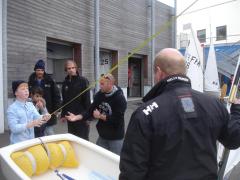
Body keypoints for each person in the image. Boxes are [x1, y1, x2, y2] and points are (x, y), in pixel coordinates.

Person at [119, 48, 240, 180]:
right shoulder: (214, 104)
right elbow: (233, 139)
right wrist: (237, 111)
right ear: (184, 72)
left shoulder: (145, 113)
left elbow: (132, 172)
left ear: (159, 72)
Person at [65, 73, 127, 155]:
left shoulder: (120, 98)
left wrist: (100, 116)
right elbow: (90, 111)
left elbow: (116, 120)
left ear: (110, 84)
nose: (100, 86)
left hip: (116, 138)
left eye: (102, 84)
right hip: (102, 135)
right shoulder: (99, 95)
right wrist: (77, 117)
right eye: (100, 83)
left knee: (116, 162)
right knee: (99, 157)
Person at [28, 59, 61, 135]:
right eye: (38, 70)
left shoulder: (50, 80)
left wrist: (57, 108)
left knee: (49, 131)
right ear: (35, 70)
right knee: (37, 132)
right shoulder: (31, 80)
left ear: (44, 71)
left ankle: (51, 146)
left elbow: (56, 95)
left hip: (48, 109)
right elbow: (29, 94)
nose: (40, 72)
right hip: (34, 109)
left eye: (42, 70)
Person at [60, 60, 91, 140]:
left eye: (73, 68)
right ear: (66, 70)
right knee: (72, 139)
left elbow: (87, 100)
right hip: (70, 116)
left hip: (81, 116)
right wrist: (63, 114)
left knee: (83, 140)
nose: (71, 70)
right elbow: (65, 100)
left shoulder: (83, 81)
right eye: (69, 68)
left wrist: (87, 117)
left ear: (76, 68)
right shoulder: (65, 83)